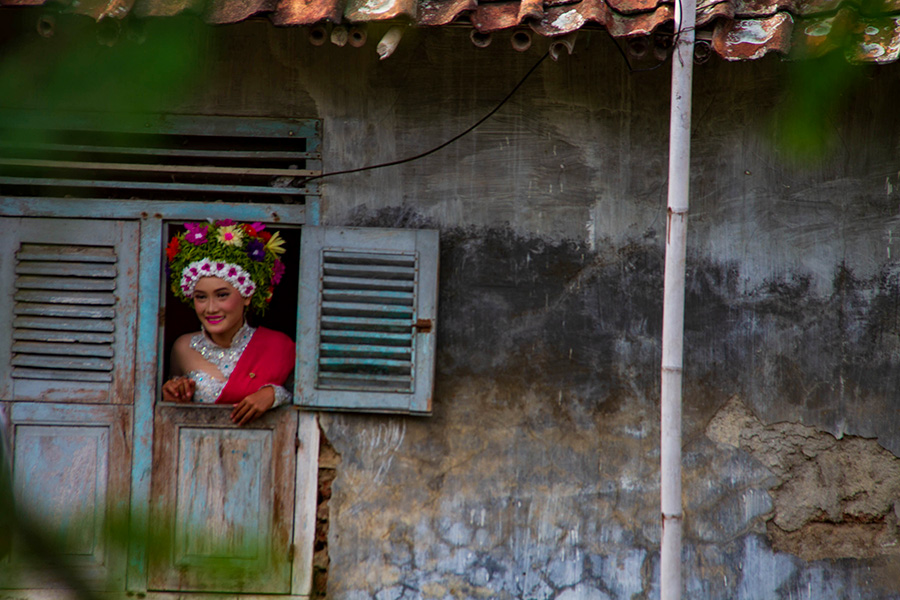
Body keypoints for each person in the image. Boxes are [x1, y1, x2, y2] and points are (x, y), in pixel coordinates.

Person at [161, 220, 294, 425]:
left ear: (247, 295)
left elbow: (306, 405)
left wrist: (273, 395)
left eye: (222, 295)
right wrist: (173, 397)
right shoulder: (182, 348)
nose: (211, 308)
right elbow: (173, 419)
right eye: (201, 297)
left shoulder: (279, 346)